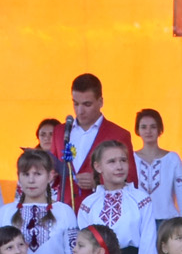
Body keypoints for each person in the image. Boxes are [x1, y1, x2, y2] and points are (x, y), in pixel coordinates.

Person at [0, 147, 78, 254]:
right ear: (18, 177)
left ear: (50, 176)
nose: (31, 180)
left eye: (37, 174)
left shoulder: (63, 211)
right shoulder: (5, 212)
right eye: (26, 174)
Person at [76, 137, 158, 254]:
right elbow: (84, 246)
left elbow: (148, 245)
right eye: (112, 162)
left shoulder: (141, 199)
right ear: (98, 166)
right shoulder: (88, 204)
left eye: (123, 160)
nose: (119, 166)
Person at [51, 72, 133, 206]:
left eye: (87, 104)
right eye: (76, 104)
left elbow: (131, 179)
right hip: (65, 209)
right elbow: (54, 175)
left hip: (101, 210)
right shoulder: (60, 132)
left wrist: (99, 180)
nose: (80, 110)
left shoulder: (118, 134)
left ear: (101, 102)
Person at [132, 107, 182, 225]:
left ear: (160, 129)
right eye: (143, 127)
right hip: (138, 222)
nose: (148, 131)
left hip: (167, 222)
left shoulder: (172, 159)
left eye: (153, 127)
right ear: (137, 130)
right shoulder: (130, 159)